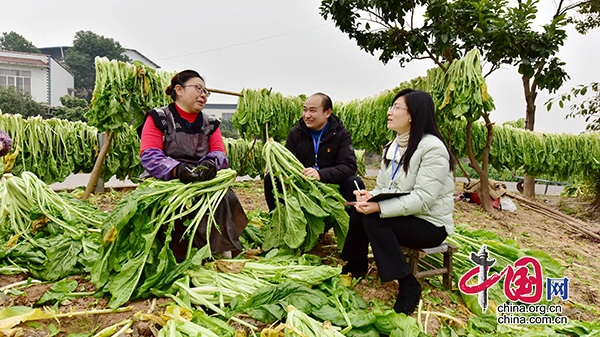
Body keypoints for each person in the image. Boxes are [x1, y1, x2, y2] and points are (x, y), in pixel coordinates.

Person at [340, 89, 455, 315]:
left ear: (412, 115)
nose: (389, 112)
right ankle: (356, 266)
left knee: (374, 220)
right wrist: (370, 196)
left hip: (429, 224)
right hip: (405, 216)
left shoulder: (432, 148)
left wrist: (379, 207)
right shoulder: (393, 146)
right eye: (391, 107)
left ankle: (408, 284)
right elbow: (385, 188)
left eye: (396, 107)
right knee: (359, 211)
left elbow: (422, 199)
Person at [139, 69, 248, 262]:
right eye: (198, 89)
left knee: (222, 197)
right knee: (172, 206)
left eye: (206, 91)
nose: (203, 95)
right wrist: (176, 169)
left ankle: (223, 255)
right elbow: (149, 155)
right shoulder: (159, 117)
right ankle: (176, 257)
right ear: (179, 90)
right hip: (167, 179)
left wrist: (209, 164)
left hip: (201, 178)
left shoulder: (211, 123)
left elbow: (219, 153)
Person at [264, 92, 365, 211]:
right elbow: (286, 163)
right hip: (303, 186)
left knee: (354, 182)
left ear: (327, 112)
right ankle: (278, 220)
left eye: (312, 111)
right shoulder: (296, 133)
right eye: (305, 110)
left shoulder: (341, 134)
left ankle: (351, 227)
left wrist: (321, 174)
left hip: (332, 186)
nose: (307, 115)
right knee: (271, 178)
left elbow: (349, 166)